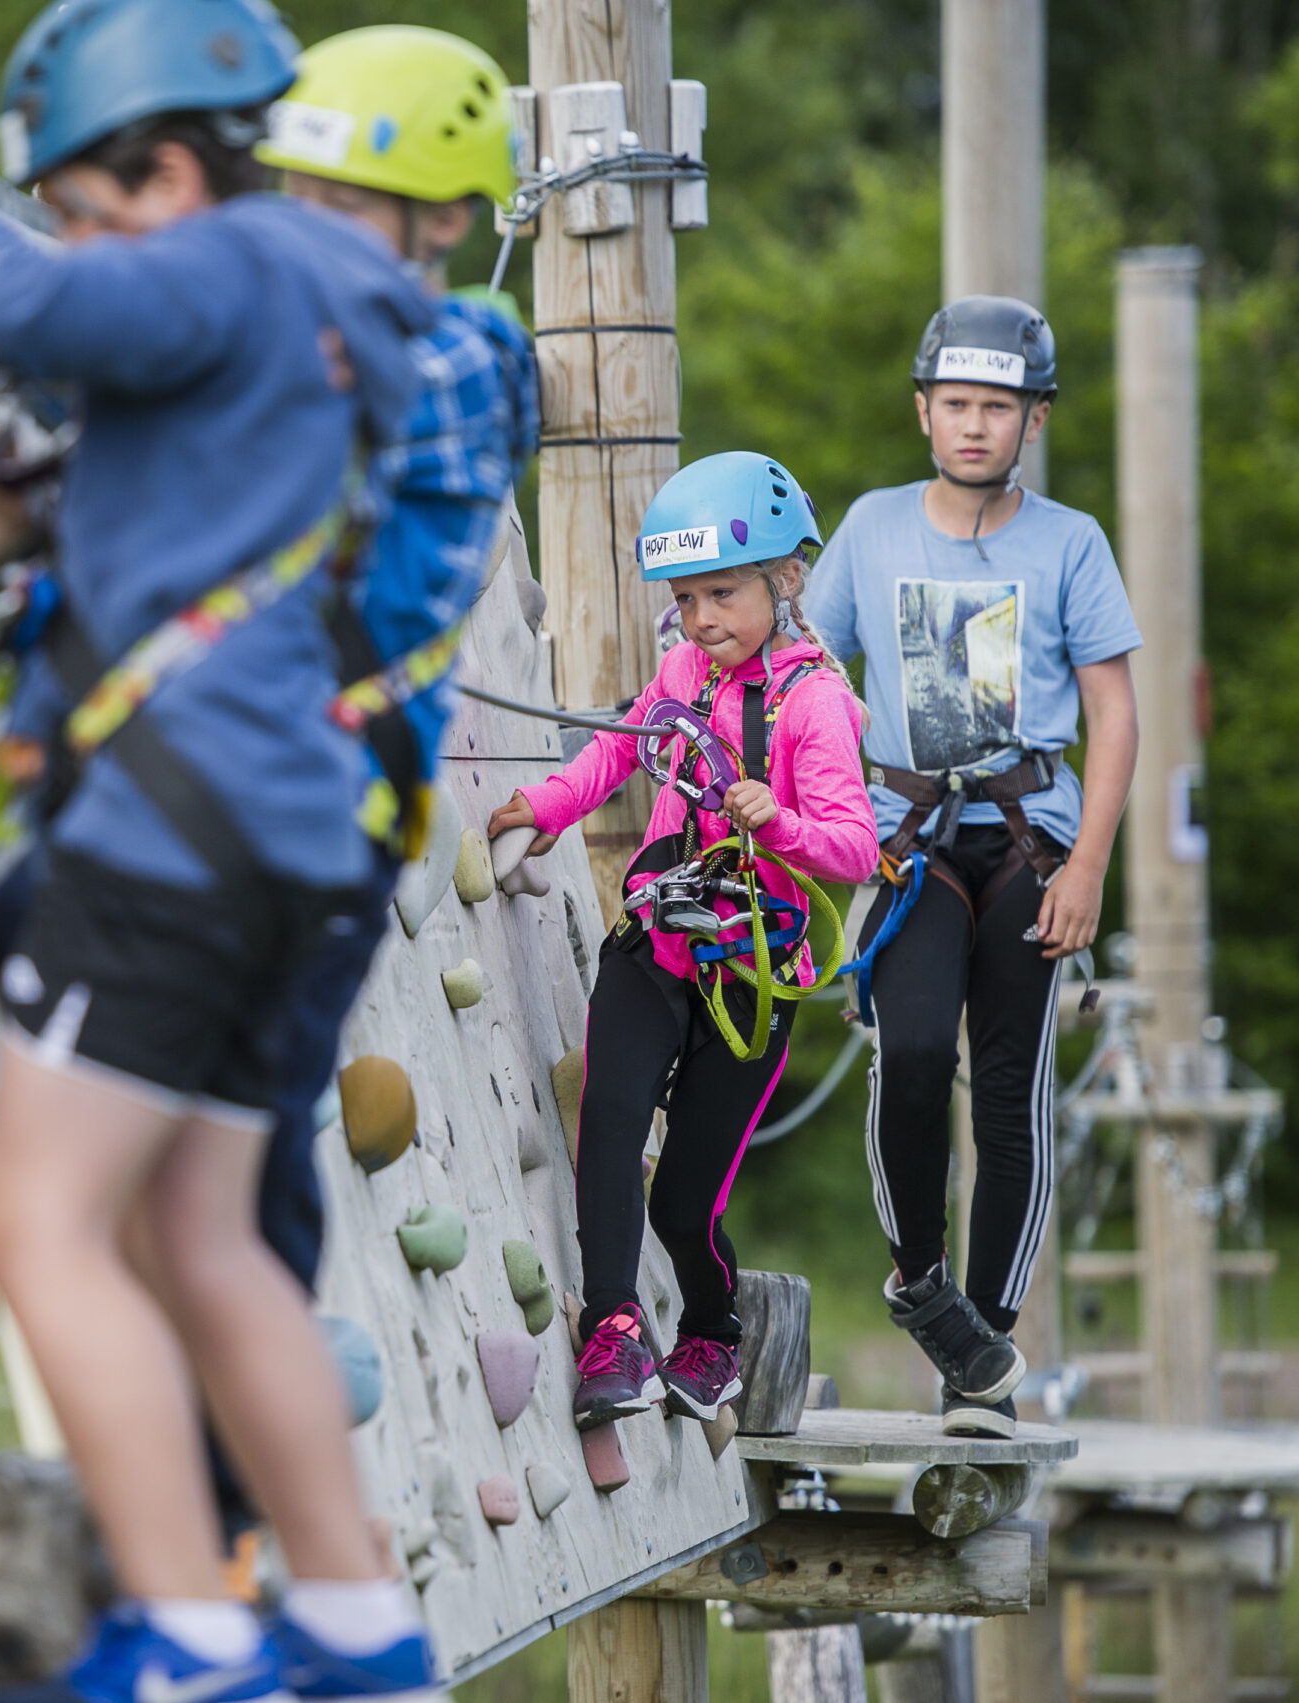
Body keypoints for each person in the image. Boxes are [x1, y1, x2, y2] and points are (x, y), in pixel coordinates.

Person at [0, 0, 449, 1698]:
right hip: (284, 845)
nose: (70, 237)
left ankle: (191, 1630)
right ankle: (358, 1616)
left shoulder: (226, 257)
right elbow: (184, 491)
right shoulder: (331, 304)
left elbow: (26, 301)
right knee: (201, 1238)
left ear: (163, 170)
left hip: (164, 846)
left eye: (83, 200)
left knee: (43, 1225)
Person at [243, 19, 539, 1341]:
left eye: (348, 202)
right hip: (272, 793)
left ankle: (261, 1500)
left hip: (342, 801)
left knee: (246, 1162)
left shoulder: (460, 357)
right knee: (215, 1152)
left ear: (445, 222)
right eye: (297, 194)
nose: (311, 226)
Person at [800, 296, 1141, 1438]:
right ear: (922, 410)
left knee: (1008, 1092)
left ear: (1032, 420)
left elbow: (1114, 711)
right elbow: (803, 664)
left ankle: (980, 1355)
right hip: (907, 840)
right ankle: (921, 1280)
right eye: (956, 404)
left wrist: (1088, 863)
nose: (975, 425)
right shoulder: (874, 526)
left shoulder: (1070, 542)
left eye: (998, 406)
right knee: (909, 1053)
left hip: (1032, 841)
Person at [487, 452, 877, 1432]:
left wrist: (774, 819)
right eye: (686, 597)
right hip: (659, 939)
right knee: (610, 1125)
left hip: (750, 974)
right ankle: (613, 1329)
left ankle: (712, 1326)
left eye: (723, 594)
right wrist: (539, 803)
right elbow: (617, 747)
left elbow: (854, 846)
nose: (703, 618)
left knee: (684, 1203)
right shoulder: (684, 672)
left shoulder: (815, 705)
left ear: (787, 578)